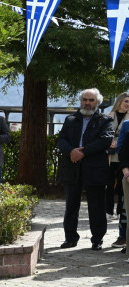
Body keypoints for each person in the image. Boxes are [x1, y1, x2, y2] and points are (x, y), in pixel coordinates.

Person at [57, 88, 113, 251]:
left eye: (91, 100)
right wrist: (71, 151)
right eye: (85, 100)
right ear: (81, 101)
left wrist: (83, 152)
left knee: (97, 206)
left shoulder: (105, 120)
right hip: (72, 167)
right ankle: (70, 238)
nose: (87, 103)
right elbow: (61, 140)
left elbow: (105, 140)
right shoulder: (70, 119)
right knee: (71, 205)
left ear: (97, 103)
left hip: (95, 168)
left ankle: (97, 239)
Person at [107, 92, 129, 247]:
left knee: (123, 199)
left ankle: (124, 237)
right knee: (111, 190)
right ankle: (109, 213)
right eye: (126, 101)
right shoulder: (109, 116)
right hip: (113, 159)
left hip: (123, 162)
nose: (128, 104)